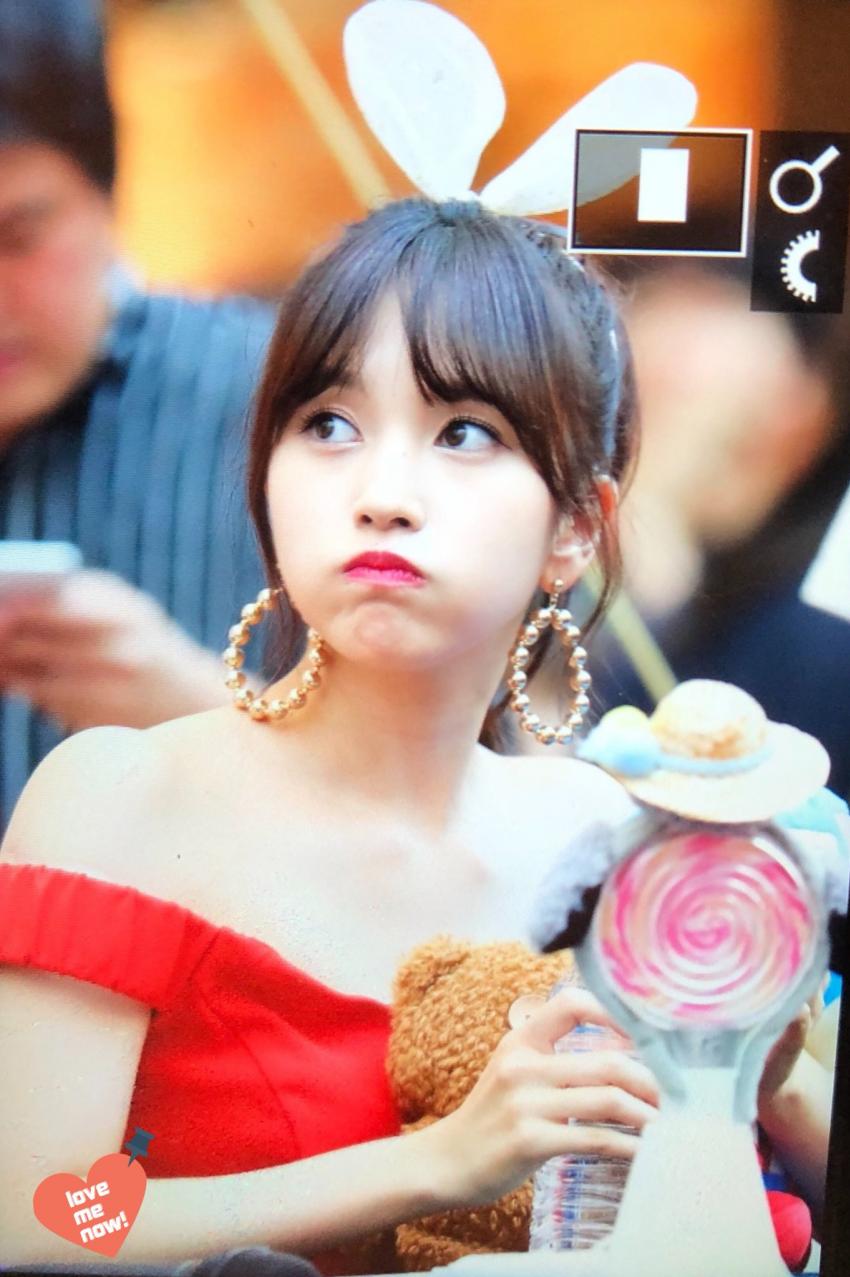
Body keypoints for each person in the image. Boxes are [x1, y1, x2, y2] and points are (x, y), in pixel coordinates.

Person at [0, 197, 829, 1274]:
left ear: (576, 526)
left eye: (465, 433)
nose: (382, 494)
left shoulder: (615, 845)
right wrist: (433, 1161)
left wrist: (762, 1074)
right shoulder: (121, 797)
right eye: (328, 425)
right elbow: (41, 1217)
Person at [0, 0, 273, 830]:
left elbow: (489, 772)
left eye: (19, 237)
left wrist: (201, 714)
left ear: (107, 193)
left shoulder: (279, 400)